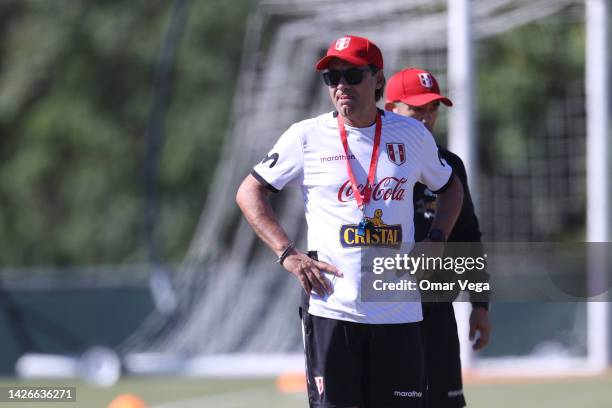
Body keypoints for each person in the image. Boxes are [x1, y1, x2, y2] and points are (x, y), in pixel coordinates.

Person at [236, 36, 464, 408]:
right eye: (332, 77)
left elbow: (451, 188)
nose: (341, 85)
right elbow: (249, 192)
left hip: (398, 312)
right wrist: (288, 253)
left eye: (352, 75)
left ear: (377, 80)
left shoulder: (411, 135)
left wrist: (436, 238)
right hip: (332, 311)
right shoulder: (305, 137)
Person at [385, 67, 492, 408]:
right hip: (382, 311)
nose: (427, 118)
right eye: (417, 109)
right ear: (392, 110)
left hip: (436, 307)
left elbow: (468, 234)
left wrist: (480, 304)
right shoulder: (374, 163)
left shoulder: (448, 166)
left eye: (433, 109)